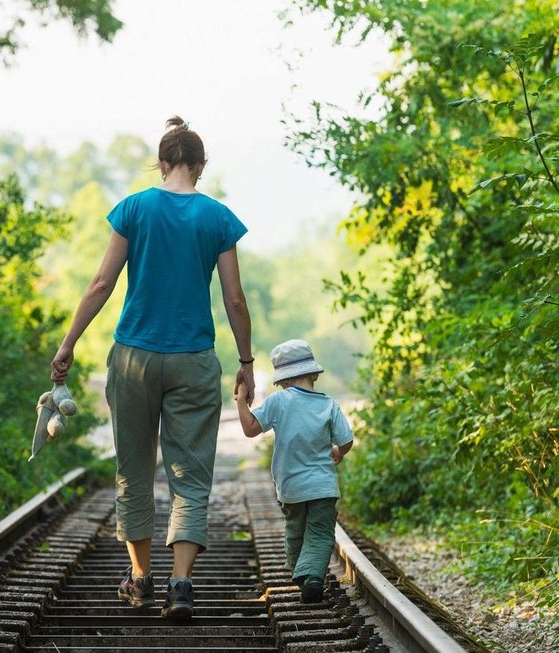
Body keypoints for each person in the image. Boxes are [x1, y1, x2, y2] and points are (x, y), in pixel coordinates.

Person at [50, 116, 255, 619]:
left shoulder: (135, 208)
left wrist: (68, 342)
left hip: (134, 356)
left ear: (162, 163)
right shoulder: (217, 217)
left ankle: (140, 579)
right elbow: (233, 297)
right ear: (200, 166)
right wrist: (247, 361)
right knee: (190, 474)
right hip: (193, 360)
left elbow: (101, 283)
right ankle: (180, 585)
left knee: (133, 470)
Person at [235, 338, 353, 603]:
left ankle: (301, 572)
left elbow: (250, 429)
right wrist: (338, 452)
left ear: (282, 380)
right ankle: (312, 577)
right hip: (322, 485)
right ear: (313, 373)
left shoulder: (279, 402)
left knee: (295, 528)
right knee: (321, 532)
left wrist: (241, 401)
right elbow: (345, 440)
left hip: (290, 487)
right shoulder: (328, 404)